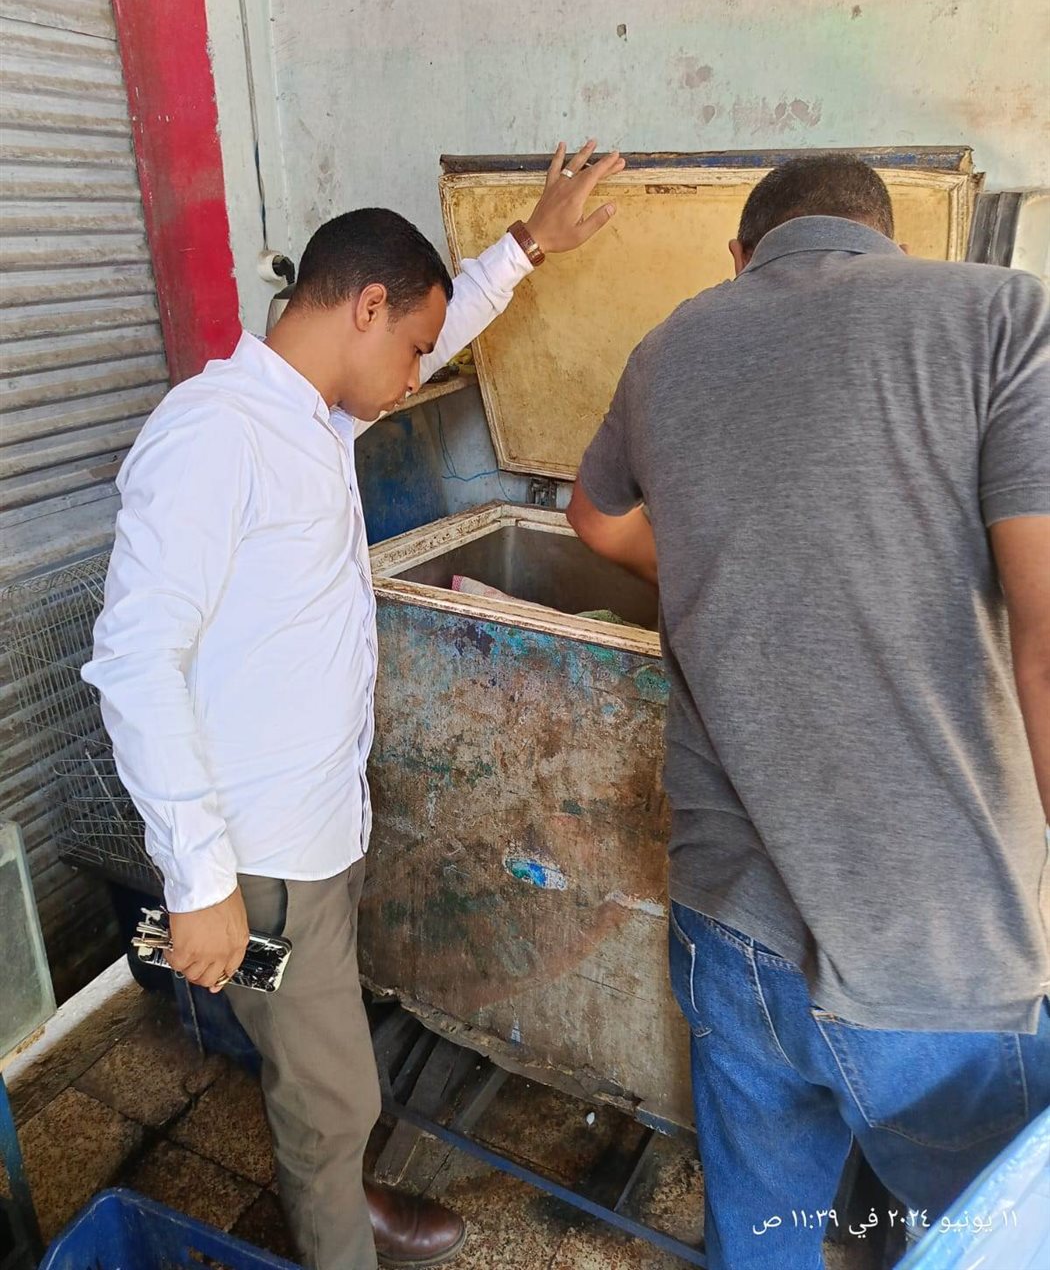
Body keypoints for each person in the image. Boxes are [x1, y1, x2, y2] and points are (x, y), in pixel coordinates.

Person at [83, 140, 625, 1270]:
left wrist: (528, 245)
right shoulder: (214, 435)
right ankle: (335, 1212)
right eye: (414, 348)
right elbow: (134, 661)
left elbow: (444, 320)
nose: (423, 372)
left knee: (319, 1056)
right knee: (329, 1087)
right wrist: (200, 881)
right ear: (366, 307)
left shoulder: (311, 420)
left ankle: (334, 1177)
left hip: (319, 835)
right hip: (259, 863)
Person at [567, 155, 1050, 1270]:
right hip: (939, 956)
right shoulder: (1001, 316)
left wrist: (708, 567)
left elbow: (594, 520)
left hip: (730, 935)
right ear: (891, 240)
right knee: (979, 1242)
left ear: (741, 255)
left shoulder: (668, 346)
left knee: (768, 1244)